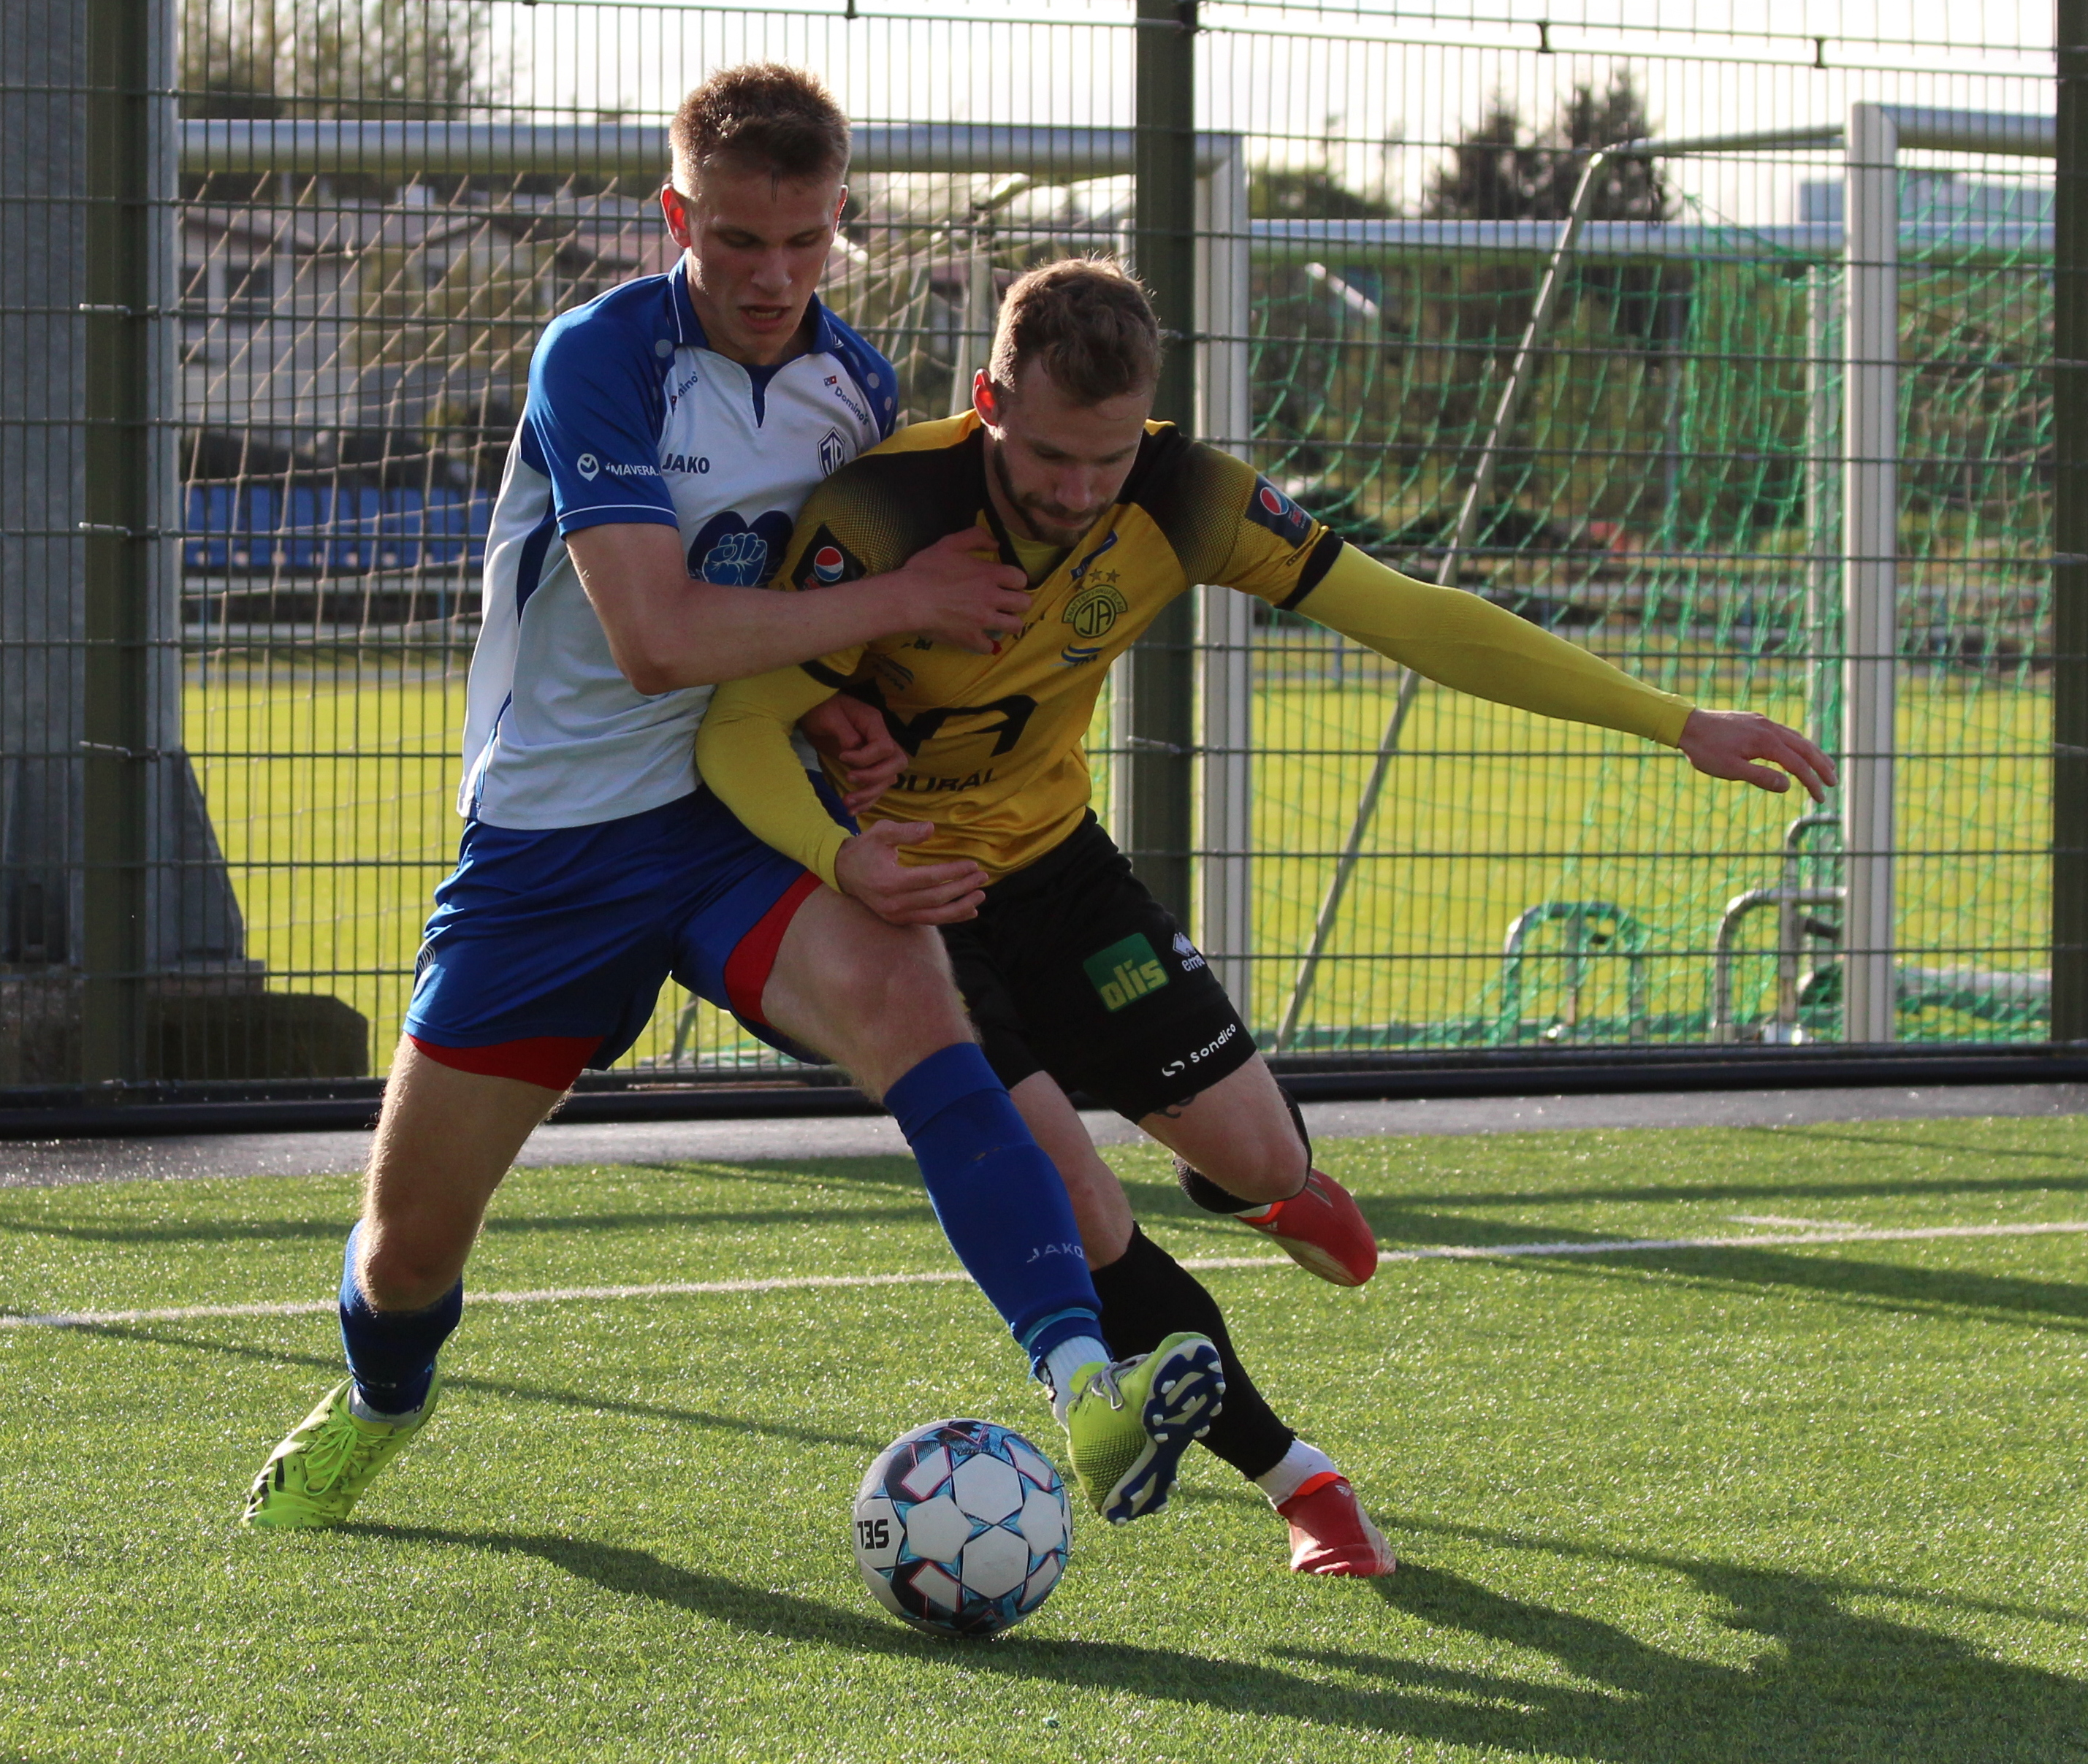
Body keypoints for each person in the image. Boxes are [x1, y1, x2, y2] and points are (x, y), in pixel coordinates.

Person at [696, 256, 1837, 1574]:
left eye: (1107, 460)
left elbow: (1414, 618)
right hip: (906, 905)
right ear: (988, 402)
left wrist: (1675, 721)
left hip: (1055, 869)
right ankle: (1302, 1482)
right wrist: (845, 859)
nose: (1077, 493)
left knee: (1258, 1160)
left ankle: (1264, 1194)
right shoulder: (883, 509)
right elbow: (738, 722)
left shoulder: (1183, 494)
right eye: (1050, 457)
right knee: (1071, 1194)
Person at [244, 78, 1224, 1535]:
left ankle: (1086, 1388)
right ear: (677, 216)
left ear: (841, 222)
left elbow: (803, 630)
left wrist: (839, 709)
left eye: (805, 240)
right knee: (405, 1253)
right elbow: (654, 639)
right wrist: (900, 602)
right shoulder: (599, 357)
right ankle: (386, 1396)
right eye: (739, 240)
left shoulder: (857, 392)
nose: (773, 277)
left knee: (919, 1003)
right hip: (549, 851)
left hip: (730, 820)